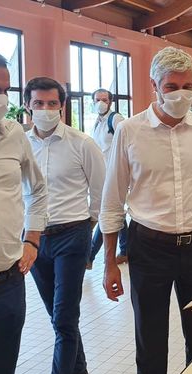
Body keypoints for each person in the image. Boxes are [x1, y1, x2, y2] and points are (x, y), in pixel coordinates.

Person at [100, 47, 192, 374]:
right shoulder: (130, 132)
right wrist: (109, 264)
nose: (180, 94)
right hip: (148, 247)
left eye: (187, 86)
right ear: (154, 86)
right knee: (150, 339)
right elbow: (113, 200)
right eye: (172, 85)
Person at [24, 77, 105, 374]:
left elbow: (100, 191)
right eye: (39, 103)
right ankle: (80, 371)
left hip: (72, 233)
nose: (45, 109)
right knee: (57, 316)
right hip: (34, 239)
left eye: (52, 103)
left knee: (65, 315)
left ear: (62, 106)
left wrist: (89, 228)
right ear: (28, 106)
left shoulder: (81, 143)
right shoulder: (20, 144)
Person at [0, 50, 47, 374]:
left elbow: (37, 190)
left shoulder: (14, 135)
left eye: (2, 89)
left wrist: (33, 239)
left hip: (6, 285)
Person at [87, 88, 127, 270]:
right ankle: (125, 249)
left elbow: (126, 143)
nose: (101, 102)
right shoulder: (97, 122)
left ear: (110, 101)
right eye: (97, 99)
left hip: (113, 175)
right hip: (101, 175)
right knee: (114, 213)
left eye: (104, 99)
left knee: (106, 213)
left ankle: (90, 256)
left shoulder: (116, 119)